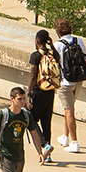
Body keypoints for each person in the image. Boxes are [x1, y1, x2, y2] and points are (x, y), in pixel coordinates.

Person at [54, 18, 86, 154]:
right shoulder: (78, 41)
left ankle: (74, 142)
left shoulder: (58, 45)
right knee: (68, 109)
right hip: (78, 80)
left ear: (58, 32)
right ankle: (65, 136)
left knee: (69, 111)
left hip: (64, 83)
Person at [26, 29, 59, 163]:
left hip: (38, 91)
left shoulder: (35, 55)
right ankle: (48, 154)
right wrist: (52, 45)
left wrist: (28, 94)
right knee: (46, 122)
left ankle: (45, 145)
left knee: (30, 119)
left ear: (37, 40)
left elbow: (33, 75)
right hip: (50, 91)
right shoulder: (53, 54)